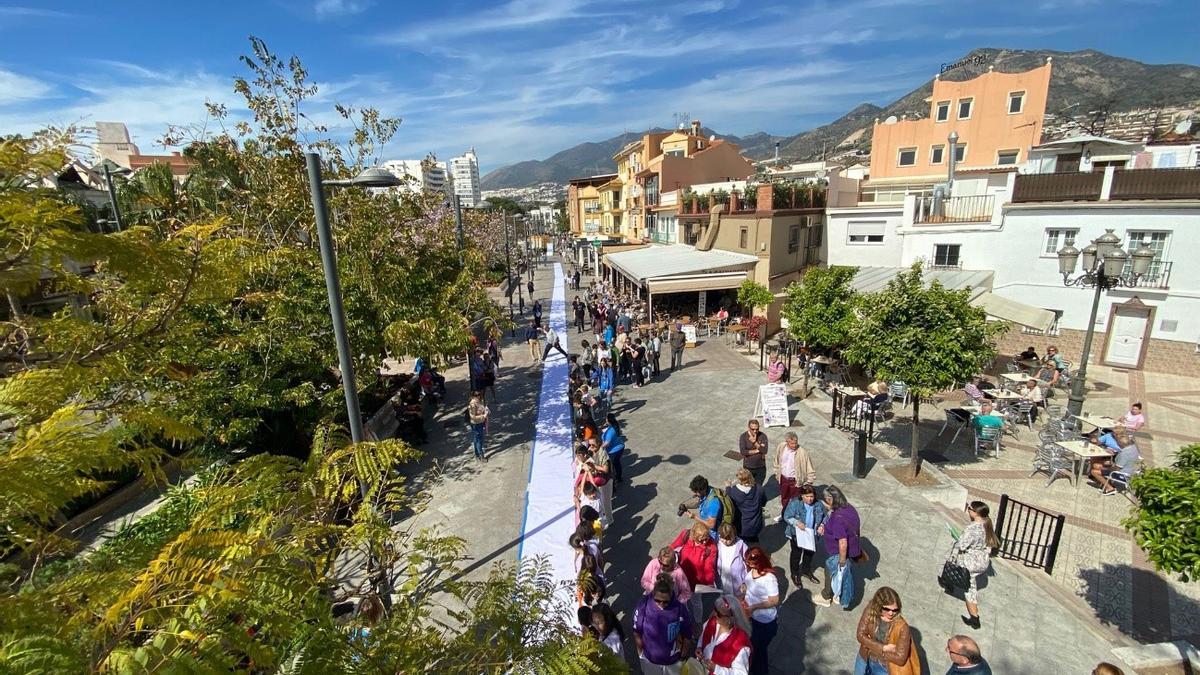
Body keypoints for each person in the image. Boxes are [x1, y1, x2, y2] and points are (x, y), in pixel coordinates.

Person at [947, 501, 1000, 629]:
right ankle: (950, 584)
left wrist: (956, 536)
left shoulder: (972, 528)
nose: (968, 510)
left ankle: (974, 619)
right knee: (969, 583)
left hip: (971, 561)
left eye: (969, 508)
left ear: (975, 513)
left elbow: (962, 545)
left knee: (969, 588)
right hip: (982, 561)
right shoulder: (986, 524)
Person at [633, 579, 695, 675]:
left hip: (673, 663)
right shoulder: (643, 605)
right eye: (657, 600)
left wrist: (682, 657)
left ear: (671, 596)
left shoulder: (680, 609)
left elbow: (687, 635)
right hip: (650, 661)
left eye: (666, 602)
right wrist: (641, 654)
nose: (661, 604)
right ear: (653, 594)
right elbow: (637, 631)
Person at [814, 485, 861, 609]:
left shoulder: (837, 519)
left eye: (825, 500)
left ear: (830, 500)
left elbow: (843, 542)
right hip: (852, 548)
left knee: (830, 571)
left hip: (838, 552)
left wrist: (841, 560)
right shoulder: (850, 508)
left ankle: (826, 596)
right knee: (841, 573)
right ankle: (837, 594)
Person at [854, 587, 918, 675]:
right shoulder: (870, 611)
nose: (891, 613)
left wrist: (870, 643)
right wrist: (884, 648)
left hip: (883, 667)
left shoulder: (902, 627)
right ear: (878, 605)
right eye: (887, 609)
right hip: (864, 658)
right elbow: (860, 635)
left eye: (895, 610)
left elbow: (900, 659)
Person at [740, 546, 780, 675]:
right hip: (751, 616)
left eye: (751, 564)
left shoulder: (769, 578)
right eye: (748, 563)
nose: (749, 566)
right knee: (751, 647)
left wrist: (754, 607)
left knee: (759, 652)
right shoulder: (752, 571)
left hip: (764, 622)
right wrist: (744, 590)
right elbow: (749, 584)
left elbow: (774, 600)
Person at [670, 523, 719, 623]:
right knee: (681, 600)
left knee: (696, 602)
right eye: (701, 539)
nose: (705, 542)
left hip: (696, 582)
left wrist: (708, 583)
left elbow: (709, 568)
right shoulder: (686, 535)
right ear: (694, 536)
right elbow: (673, 545)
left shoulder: (711, 548)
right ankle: (684, 618)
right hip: (682, 577)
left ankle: (698, 622)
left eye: (706, 538)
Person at [784, 484, 827, 589]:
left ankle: (806, 571)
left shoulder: (818, 504)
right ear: (802, 496)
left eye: (811, 496)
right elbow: (787, 516)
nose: (810, 499)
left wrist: (822, 525)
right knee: (796, 555)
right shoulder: (795, 503)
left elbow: (826, 516)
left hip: (811, 534)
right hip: (797, 534)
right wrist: (797, 523)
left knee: (809, 553)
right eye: (807, 496)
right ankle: (794, 573)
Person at [695, 595, 752, 675]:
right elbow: (703, 636)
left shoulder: (740, 643)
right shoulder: (712, 621)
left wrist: (716, 669)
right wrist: (699, 647)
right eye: (715, 609)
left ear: (731, 618)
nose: (715, 614)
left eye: (719, 613)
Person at [773, 432, 817, 520]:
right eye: (792, 443)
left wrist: (810, 480)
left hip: (795, 481)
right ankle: (784, 514)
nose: (794, 445)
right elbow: (777, 460)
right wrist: (776, 472)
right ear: (787, 442)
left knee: (796, 500)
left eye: (796, 443)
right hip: (783, 478)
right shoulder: (781, 447)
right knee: (784, 498)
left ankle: (794, 517)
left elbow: (809, 467)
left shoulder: (802, 452)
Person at [1089, 431, 1140, 496]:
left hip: (1123, 474)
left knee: (1094, 471)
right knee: (1097, 465)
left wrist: (1104, 467)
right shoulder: (1133, 447)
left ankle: (1110, 488)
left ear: (1121, 444)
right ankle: (1105, 482)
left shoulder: (1124, 454)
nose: (1117, 444)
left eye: (1118, 443)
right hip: (1130, 470)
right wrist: (1114, 454)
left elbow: (1116, 469)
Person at [725, 469, 765, 543]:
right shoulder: (759, 488)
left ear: (739, 480)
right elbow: (763, 502)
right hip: (756, 524)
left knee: (741, 543)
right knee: (753, 542)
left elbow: (728, 504)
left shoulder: (733, 491)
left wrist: (728, 487)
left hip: (741, 526)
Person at [715, 523, 749, 597]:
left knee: (738, 604)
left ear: (734, 536)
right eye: (722, 538)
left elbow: (749, 564)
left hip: (738, 585)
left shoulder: (741, 545)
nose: (725, 541)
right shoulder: (718, 543)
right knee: (726, 602)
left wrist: (745, 581)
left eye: (728, 539)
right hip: (723, 582)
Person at [737, 420, 769, 489]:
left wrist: (755, 442)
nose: (755, 431)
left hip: (760, 467)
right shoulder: (743, 437)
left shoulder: (763, 436)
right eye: (753, 429)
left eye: (757, 429)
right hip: (748, 468)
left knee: (758, 488)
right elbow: (743, 452)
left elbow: (765, 451)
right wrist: (758, 450)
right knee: (748, 487)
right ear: (748, 428)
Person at [600, 413, 626, 485]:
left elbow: (607, 443)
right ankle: (619, 476)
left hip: (614, 450)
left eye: (606, 418)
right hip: (619, 446)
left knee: (614, 465)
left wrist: (600, 447)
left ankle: (617, 478)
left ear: (608, 420)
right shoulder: (614, 425)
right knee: (617, 463)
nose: (605, 419)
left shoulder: (610, 432)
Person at [467, 390, 488, 462]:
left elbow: (482, 409)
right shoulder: (472, 404)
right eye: (477, 395)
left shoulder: (480, 401)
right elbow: (472, 417)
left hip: (481, 422)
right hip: (476, 424)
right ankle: (481, 455)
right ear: (473, 396)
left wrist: (486, 411)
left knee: (476, 438)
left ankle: (476, 454)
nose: (478, 396)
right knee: (479, 439)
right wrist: (483, 416)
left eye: (479, 394)